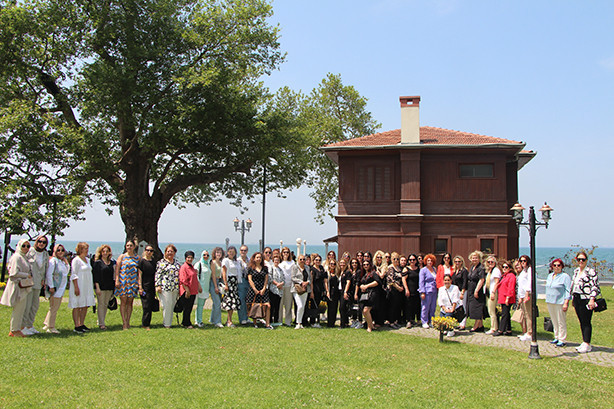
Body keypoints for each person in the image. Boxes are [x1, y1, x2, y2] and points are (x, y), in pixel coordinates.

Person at [1, 239, 33, 337]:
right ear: (19, 246)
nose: (26, 248)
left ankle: (17, 328)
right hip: (17, 286)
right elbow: (13, 273)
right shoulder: (17, 257)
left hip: (23, 286)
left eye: (28, 246)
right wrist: (26, 275)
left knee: (21, 308)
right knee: (18, 309)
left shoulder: (23, 257)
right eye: (23, 246)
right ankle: (14, 330)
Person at [571, 251, 600, 353]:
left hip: (586, 299)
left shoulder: (590, 271)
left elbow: (595, 286)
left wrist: (592, 299)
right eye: (579, 259)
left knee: (586, 321)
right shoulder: (576, 271)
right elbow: (574, 284)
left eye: (583, 259)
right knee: (581, 321)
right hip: (577, 298)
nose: (581, 261)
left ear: (586, 260)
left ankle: (587, 343)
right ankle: (584, 341)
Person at [23, 235, 49, 335]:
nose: (41, 244)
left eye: (44, 242)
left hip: (39, 283)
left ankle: (30, 325)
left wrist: (44, 280)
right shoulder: (30, 251)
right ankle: (23, 325)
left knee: (35, 305)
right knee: (27, 304)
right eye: (40, 241)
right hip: (29, 282)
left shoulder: (45, 254)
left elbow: (45, 268)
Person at [42, 244, 70, 334]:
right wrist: (51, 286)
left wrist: (66, 263)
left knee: (54, 307)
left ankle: (47, 323)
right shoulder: (53, 261)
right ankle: (51, 326)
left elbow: (66, 272)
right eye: (58, 250)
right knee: (54, 307)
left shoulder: (61, 261)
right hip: (56, 287)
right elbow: (49, 274)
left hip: (61, 288)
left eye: (62, 250)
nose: (60, 252)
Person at [69, 242, 95, 333]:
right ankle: (76, 325)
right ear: (80, 249)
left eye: (87, 248)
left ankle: (82, 323)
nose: (87, 250)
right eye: (85, 248)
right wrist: (76, 287)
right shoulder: (76, 260)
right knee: (77, 305)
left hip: (87, 285)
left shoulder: (88, 260)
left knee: (85, 305)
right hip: (79, 284)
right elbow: (74, 274)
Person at [545, 258, 572, 346]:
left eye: (558, 265)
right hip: (550, 301)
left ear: (562, 266)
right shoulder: (550, 276)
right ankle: (556, 336)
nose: (556, 267)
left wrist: (566, 302)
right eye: (554, 265)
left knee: (561, 321)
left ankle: (562, 339)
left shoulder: (565, 276)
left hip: (560, 301)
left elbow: (568, 290)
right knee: (554, 320)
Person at [114, 240, 140, 330]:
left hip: (133, 283)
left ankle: (128, 321)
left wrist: (138, 283)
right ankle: (124, 322)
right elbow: (117, 269)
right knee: (123, 302)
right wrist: (117, 280)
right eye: (127, 245)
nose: (129, 247)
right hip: (123, 282)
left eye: (131, 245)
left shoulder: (137, 258)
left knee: (130, 303)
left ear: (134, 247)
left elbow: (139, 272)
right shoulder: (122, 257)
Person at [155, 244, 181, 328]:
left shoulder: (177, 263)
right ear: (165, 252)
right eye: (168, 251)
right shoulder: (161, 263)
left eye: (171, 251)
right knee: (167, 305)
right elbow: (158, 275)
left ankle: (169, 322)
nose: (170, 253)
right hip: (165, 287)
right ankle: (166, 324)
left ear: (174, 252)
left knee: (172, 305)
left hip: (175, 287)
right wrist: (158, 285)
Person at [93, 244, 116, 330]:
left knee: (105, 305)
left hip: (109, 287)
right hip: (100, 287)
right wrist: (97, 287)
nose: (105, 253)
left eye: (107, 251)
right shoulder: (98, 263)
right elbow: (96, 276)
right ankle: (101, 323)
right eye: (103, 251)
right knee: (101, 304)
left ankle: (101, 320)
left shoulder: (111, 263)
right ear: (101, 252)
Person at [246, 252, 272, 329]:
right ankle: (255, 323)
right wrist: (255, 289)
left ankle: (267, 324)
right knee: (254, 305)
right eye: (257, 257)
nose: (258, 259)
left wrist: (264, 288)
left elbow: (266, 279)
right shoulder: (251, 268)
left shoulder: (265, 268)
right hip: (254, 289)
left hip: (263, 289)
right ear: (254, 259)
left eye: (260, 257)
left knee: (267, 305)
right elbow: (250, 280)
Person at [493, 260, 516, 337]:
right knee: (506, 314)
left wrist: (507, 298)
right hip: (502, 298)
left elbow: (511, 288)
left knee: (504, 314)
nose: (504, 268)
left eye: (506, 267)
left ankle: (501, 330)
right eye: (503, 267)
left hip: (507, 298)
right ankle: (508, 329)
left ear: (510, 268)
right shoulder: (504, 276)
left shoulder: (511, 276)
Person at [178, 251, 200, 328]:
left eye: (191, 257)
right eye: (188, 257)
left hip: (193, 291)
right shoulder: (184, 267)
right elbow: (183, 280)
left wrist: (199, 287)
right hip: (187, 291)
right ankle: (186, 323)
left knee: (189, 308)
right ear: (185, 258)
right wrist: (187, 291)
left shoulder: (191, 266)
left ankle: (186, 322)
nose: (190, 259)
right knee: (187, 308)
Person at [221, 246, 241, 327]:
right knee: (229, 301)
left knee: (233, 302)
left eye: (233, 252)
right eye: (230, 252)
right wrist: (226, 284)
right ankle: (229, 321)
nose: (231, 253)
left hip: (235, 282)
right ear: (227, 252)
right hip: (229, 282)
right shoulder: (226, 260)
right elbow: (224, 273)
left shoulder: (236, 261)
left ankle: (229, 320)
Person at [138, 245, 157, 329]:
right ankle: (145, 324)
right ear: (145, 251)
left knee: (150, 305)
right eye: (147, 250)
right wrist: (140, 287)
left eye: (151, 251)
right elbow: (139, 275)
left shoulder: (154, 262)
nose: (149, 252)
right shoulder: (142, 261)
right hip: (144, 286)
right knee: (146, 306)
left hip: (152, 287)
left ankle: (148, 322)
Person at [467, 251, 486, 333]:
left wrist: (476, 291)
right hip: (471, 290)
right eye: (473, 258)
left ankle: (476, 326)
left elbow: (481, 280)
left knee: (477, 307)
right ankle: (480, 325)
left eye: (476, 258)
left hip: (477, 291)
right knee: (473, 307)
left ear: (479, 259)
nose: (474, 259)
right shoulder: (472, 267)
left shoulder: (480, 268)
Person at [291, 254, 312, 329]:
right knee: (299, 305)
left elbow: (310, 278)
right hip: (296, 289)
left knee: (302, 306)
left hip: (305, 289)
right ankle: (297, 322)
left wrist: (307, 282)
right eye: (301, 259)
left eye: (304, 259)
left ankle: (300, 323)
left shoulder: (307, 268)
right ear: (297, 260)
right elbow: (293, 277)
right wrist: (301, 282)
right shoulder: (294, 267)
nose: (302, 261)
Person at [418, 254, 438, 328]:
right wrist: (422, 292)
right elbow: (421, 282)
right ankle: (424, 321)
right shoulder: (423, 270)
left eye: (431, 261)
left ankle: (432, 321)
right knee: (425, 307)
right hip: (426, 291)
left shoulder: (435, 269)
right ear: (425, 261)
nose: (430, 262)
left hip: (434, 291)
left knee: (433, 307)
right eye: (428, 260)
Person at [193, 250, 212, 328]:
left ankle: (198, 320)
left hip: (206, 288)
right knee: (200, 305)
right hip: (200, 288)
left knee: (201, 305)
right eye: (204, 255)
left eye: (207, 255)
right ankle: (198, 321)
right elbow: (195, 276)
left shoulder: (208, 265)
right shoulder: (198, 264)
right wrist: (199, 286)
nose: (206, 257)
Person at [359, 259, 379, 332]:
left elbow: (377, 282)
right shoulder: (364, 274)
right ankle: (371, 326)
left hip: (373, 294)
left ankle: (369, 327)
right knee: (364, 311)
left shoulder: (373, 273)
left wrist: (367, 286)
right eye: (364, 265)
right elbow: (361, 283)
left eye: (367, 264)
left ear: (370, 265)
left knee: (366, 310)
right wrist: (362, 287)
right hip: (366, 294)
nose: (365, 266)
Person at [279, 247, 297, 326]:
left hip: (289, 285)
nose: (286, 254)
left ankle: (288, 321)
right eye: (284, 252)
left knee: (288, 304)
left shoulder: (292, 262)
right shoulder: (279, 262)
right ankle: (279, 321)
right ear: (282, 253)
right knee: (280, 305)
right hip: (280, 286)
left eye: (287, 252)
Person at [402, 254, 421, 328]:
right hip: (409, 290)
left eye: (413, 260)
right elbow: (403, 279)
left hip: (417, 290)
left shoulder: (418, 269)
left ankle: (414, 320)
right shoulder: (406, 269)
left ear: (416, 260)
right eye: (410, 260)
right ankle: (408, 321)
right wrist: (406, 289)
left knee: (416, 306)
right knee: (408, 306)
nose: (412, 261)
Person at [386, 252, 404, 329]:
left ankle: (396, 321)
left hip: (399, 291)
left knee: (397, 306)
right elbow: (390, 280)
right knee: (392, 306)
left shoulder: (399, 268)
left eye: (397, 259)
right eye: (394, 259)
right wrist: (398, 287)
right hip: (393, 290)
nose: (396, 260)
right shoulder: (390, 268)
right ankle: (391, 321)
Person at [516, 256, 532, 341]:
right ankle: (527, 331)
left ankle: (530, 333)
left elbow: (529, 283)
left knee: (529, 314)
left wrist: (526, 294)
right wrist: (520, 297)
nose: (522, 262)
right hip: (522, 295)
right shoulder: (523, 271)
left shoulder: (529, 270)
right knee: (525, 314)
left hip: (527, 294)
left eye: (524, 261)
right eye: (521, 261)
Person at [484, 255, 501, 335]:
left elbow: (497, 282)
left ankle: (493, 328)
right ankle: (495, 326)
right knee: (490, 310)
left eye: (492, 262)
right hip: (488, 292)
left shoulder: (496, 270)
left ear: (495, 263)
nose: (490, 263)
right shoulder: (489, 271)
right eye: (488, 262)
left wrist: (493, 292)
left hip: (492, 292)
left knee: (492, 311)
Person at [451, 255, 469, 330]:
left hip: (462, 291)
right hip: (456, 292)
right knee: (458, 307)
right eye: (456, 261)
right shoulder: (455, 271)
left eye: (459, 261)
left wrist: (462, 292)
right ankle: (460, 322)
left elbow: (465, 282)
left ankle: (463, 324)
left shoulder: (464, 271)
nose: (457, 263)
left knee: (463, 307)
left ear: (462, 262)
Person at [310, 254, 326, 328]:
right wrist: (312, 292)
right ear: (313, 261)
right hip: (315, 290)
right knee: (314, 306)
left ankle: (318, 321)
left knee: (319, 307)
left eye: (319, 260)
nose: (318, 261)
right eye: (316, 260)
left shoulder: (321, 268)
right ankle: (312, 322)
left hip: (321, 290)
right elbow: (311, 281)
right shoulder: (312, 269)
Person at [209, 247, 224, 327]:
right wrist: (215, 286)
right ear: (214, 253)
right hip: (214, 282)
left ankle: (212, 319)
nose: (218, 254)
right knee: (217, 303)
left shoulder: (221, 262)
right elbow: (213, 275)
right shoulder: (213, 262)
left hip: (220, 282)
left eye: (220, 253)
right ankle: (217, 321)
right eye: (217, 252)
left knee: (216, 303)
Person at [268, 253, 284, 326]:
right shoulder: (271, 268)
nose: (276, 261)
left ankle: (276, 320)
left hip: (279, 290)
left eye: (278, 260)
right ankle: (270, 320)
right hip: (273, 289)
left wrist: (281, 284)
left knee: (277, 306)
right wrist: (277, 284)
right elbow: (270, 278)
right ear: (273, 261)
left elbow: (284, 278)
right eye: (275, 260)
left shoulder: (280, 269)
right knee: (272, 306)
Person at [237, 245, 250, 325]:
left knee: (247, 300)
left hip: (248, 281)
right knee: (241, 300)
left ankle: (246, 317)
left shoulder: (249, 260)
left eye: (245, 250)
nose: (243, 252)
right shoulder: (237, 261)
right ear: (239, 251)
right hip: (240, 281)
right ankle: (242, 318)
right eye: (242, 250)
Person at [325, 258, 339, 328]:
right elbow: (326, 283)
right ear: (329, 265)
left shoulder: (337, 273)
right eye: (331, 264)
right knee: (330, 308)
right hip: (330, 292)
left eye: (334, 264)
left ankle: (333, 322)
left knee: (335, 307)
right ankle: (329, 323)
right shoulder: (327, 273)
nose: (332, 265)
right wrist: (327, 292)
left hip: (336, 292)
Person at [339, 258, 353, 328]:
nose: (342, 264)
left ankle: (342, 324)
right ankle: (346, 323)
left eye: (343, 263)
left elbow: (348, 282)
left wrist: (345, 292)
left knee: (342, 308)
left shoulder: (347, 272)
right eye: (341, 263)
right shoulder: (340, 272)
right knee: (343, 308)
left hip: (344, 291)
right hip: (339, 291)